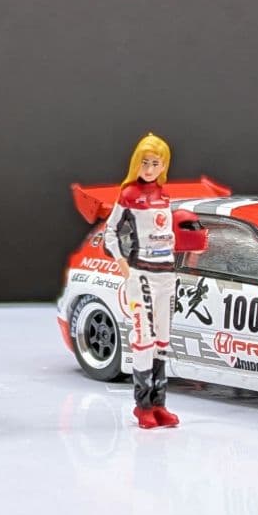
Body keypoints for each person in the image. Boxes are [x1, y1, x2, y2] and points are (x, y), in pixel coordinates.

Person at [102, 133, 180, 429]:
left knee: (162, 340)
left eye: (155, 163)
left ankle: (159, 404)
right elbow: (110, 231)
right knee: (143, 339)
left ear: (164, 165)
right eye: (144, 162)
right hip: (142, 274)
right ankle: (142, 406)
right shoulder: (129, 195)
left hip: (166, 274)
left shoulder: (166, 195)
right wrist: (123, 266)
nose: (149, 169)